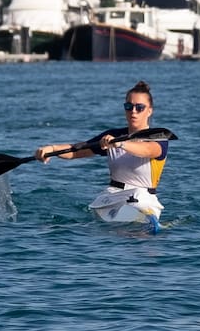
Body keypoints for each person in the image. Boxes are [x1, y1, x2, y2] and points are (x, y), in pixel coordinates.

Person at [33, 80, 169, 227]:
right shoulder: (111, 135)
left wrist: (121, 144)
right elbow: (77, 151)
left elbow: (148, 150)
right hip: (112, 196)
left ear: (149, 111)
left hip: (144, 198)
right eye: (129, 107)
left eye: (139, 107)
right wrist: (51, 149)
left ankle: (143, 222)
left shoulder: (159, 137)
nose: (133, 111)